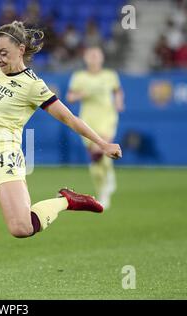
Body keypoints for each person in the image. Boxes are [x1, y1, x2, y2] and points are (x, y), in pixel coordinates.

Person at [0, 10, 122, 295]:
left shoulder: (33, 86)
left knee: (22, 228)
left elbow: (68, 118)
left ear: (21, 49)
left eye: (3, 53)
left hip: (5, 160)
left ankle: (67, 201)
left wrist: (102, 143)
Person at [67, 46, 124, 209]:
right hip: (88, 119)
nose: (93, 58)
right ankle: (103, 188)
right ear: (85, 58)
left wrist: (119, 102)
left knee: (102, 149)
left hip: (107, 117)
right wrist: (82, 95)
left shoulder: (110, 75)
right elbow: (70, 97)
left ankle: (106, 187)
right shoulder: (79, 77)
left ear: (102, 58)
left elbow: (118, 91)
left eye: (96, 55)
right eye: (90, 55)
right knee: (96, 159)